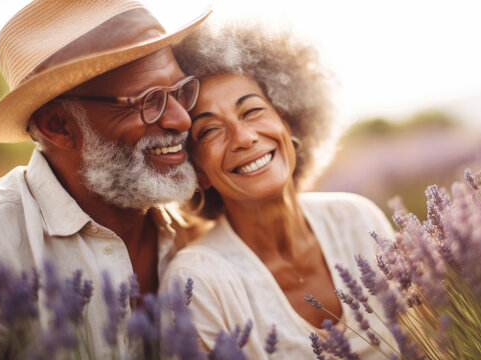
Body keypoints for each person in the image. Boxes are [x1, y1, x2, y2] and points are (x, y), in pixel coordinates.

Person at [0, 0, 209, 357]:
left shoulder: (202, 228)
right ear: (57, 126)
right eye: (150, 100)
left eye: (180, 91)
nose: (181, 119)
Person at [164, 24, 399, 359]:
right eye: (211, 129)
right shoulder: (197, 284)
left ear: (287, 123)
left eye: (252, 110)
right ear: (197, 172)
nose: (244, 137)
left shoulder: (359, 221)